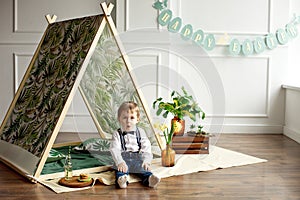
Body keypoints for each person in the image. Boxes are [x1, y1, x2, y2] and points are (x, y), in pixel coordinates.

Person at [110, 101, 160, 189]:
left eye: (132, 117)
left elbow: (146, 147)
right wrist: (120, 162)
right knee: (121, 170)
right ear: (119, 119)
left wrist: (146, 161)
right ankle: (121, 180)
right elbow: (115, 149)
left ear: (137, 119)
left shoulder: (140, 132)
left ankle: (150, 179)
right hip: (123, 158)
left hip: (137, 158)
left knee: (144, 169)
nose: (128, 121)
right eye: (125, 117)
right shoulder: (116, 133)